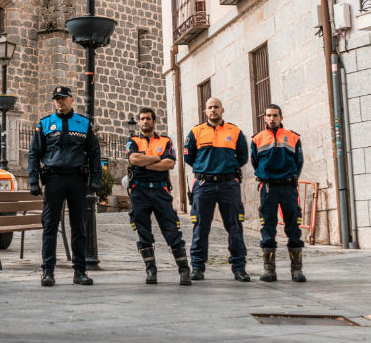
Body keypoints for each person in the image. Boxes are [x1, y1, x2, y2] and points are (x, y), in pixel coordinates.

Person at [28, 85, 100, 288]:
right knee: (49, 226)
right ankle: (47, 272)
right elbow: (34, 154)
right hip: (54, 179)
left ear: (71, 100)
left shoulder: (84, 124)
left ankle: (80, 271)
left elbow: (94, 154)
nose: (60, 101)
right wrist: (33, 180)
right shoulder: (45, 124)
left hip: (77, 180)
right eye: (57, 99)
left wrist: (95, 180)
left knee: (79, 227)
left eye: (63, 98)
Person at [183, 97, 250, 282]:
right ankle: (197, 267)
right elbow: (188, 157)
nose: (213, 110)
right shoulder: (196, 132)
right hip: (204, 185)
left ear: (222, 110)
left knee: (235, 226)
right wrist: (205, 167)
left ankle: (239, 268)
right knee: (200, 227)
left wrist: (228, 168)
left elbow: (243, 156)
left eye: (216, 107)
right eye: (210, 107)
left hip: (229, 184)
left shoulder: (234, 131)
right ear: (205, 111)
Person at [125, 107, 190, 286]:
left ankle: (184, 270)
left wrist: (145, 163)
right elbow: (134, 160)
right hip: (139, 191)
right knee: (143, 231)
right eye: (142, 118)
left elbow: (169, 163)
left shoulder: (166, 140)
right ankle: (151, 270)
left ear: (154, 121)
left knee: (172, 229)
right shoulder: (133, 140)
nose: (145, 121)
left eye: (148, 119)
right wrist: (156, 158)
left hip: (161, 191)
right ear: (138, 122)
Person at [250, 105, 305, 283]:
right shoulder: (257, 139)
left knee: (293, 227)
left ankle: (296, 270)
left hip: (288, 187)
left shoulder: (293, 137)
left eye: (275, 115)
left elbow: (299, 161)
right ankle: (269, 270)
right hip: (268, 188)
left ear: (281, 117)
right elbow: (255, 162)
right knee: (267, 227)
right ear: (264, 118)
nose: (272, 118)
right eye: (268, 116)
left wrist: (291, 177)